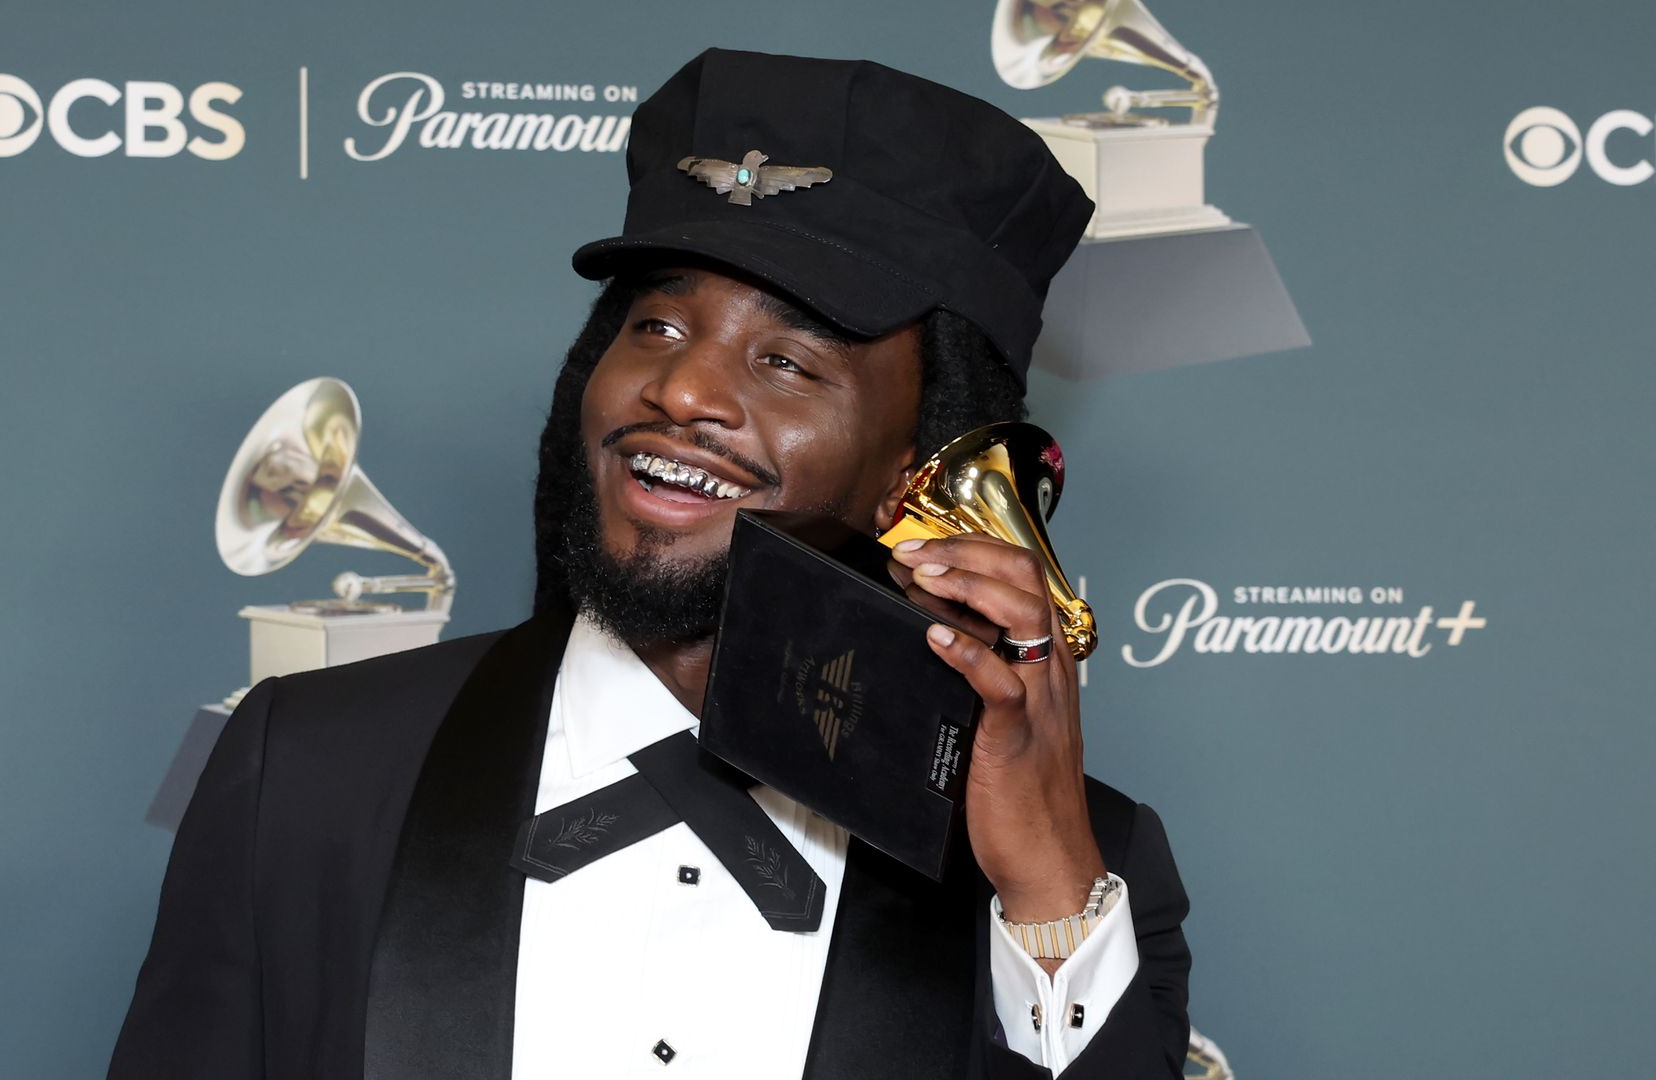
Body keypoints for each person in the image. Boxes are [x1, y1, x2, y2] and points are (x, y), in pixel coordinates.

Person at [109, 48, 1189, 1079]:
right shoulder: (305, 767)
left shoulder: (1089, 868)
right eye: (659, 328)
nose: (681, 393)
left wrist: (1046, 888)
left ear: (917, 468)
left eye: (785, 361)